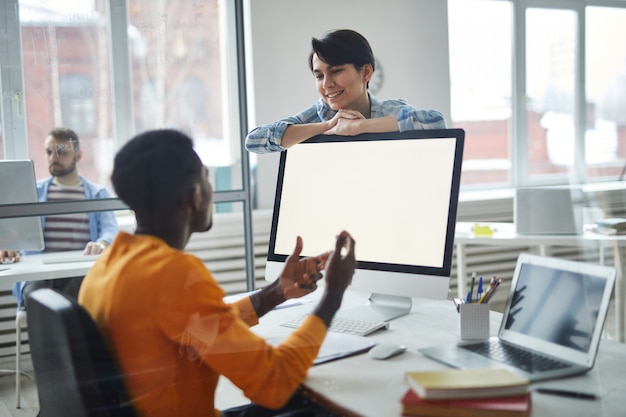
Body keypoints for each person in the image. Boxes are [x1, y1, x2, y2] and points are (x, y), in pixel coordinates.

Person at [77, 129, 356, 417]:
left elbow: (194, 327)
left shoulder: (110, 263)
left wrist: (275, 293)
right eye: (207, 178)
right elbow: (275, 382)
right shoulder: (172, 274)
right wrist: (333, 295)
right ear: (195, 195)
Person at [245, 29, 446, 154]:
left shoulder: (389, 111)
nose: (326, 84)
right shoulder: (315, 118)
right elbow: (253, 141)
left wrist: (360, 126)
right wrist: (327, 126)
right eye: (319, 76)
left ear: (366, 72)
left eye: (336, 71)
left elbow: (435, 122)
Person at [1, 127, 118, 309]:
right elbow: (13, 230)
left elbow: (110, 230)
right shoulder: (32, 192)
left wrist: (101, 244)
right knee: (40, 299)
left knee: (82, 297)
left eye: (61, 152)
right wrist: (9, 247)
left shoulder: (98, 194)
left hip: (78, 274)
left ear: (78, 156)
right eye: (49, 152)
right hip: (38, 276)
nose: (53, 158)